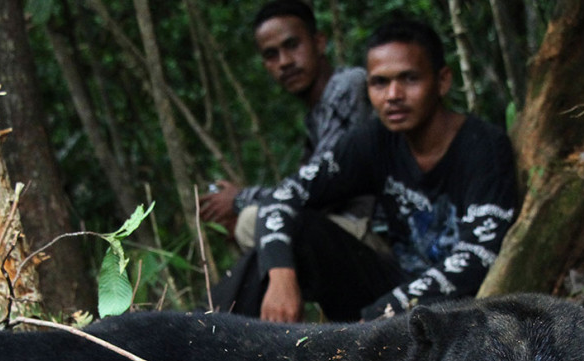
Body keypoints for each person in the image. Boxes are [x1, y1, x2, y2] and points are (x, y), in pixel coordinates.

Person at [212, 18, 520, 323]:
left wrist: (376, 318)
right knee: (294, 234)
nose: (393, 95)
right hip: (392, 290)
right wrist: (280, 276)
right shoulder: (375, 140)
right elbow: (283, 197)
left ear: (442, 81)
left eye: (409, 79)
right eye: (379, 82)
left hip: (459, 312)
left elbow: (476, 259)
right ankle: (204, 334)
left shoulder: (484, 148)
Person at [199, 0, 374, 251]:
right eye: (272, 55)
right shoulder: (315, 118)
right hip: (346, 236)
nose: (284, 62)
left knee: (255, 222)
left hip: (375, 234)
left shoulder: (348, 87)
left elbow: (322, 184)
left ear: (319, 42)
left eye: (292, 46)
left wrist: (240, 200)